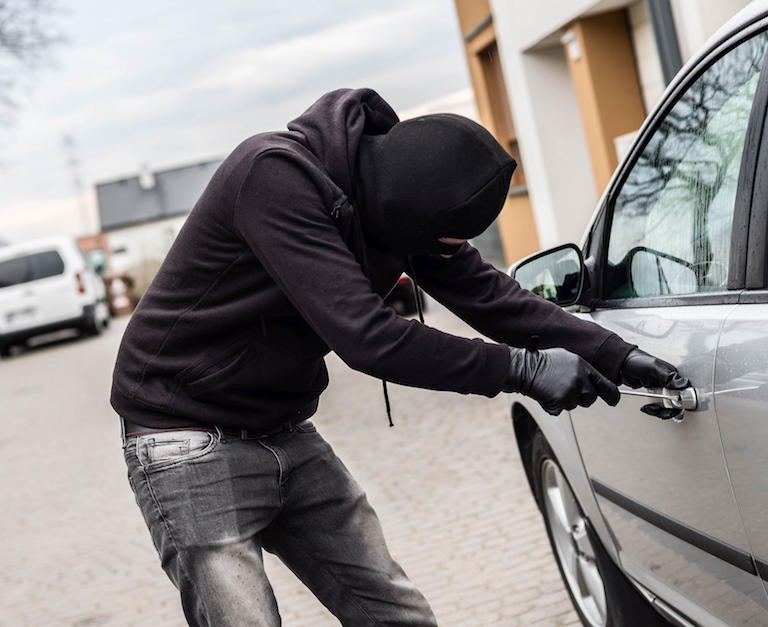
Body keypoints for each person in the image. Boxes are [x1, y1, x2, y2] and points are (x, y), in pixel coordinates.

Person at [112, 88, 688, 626]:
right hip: (184, 437)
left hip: (282, 426)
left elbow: (488, 295)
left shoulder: (394, 196)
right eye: (442, 243)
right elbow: (370, 339)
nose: (444, 256)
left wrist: (613, 353)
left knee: (397, 614)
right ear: (407, 209)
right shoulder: (274, 178)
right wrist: (524, 369)